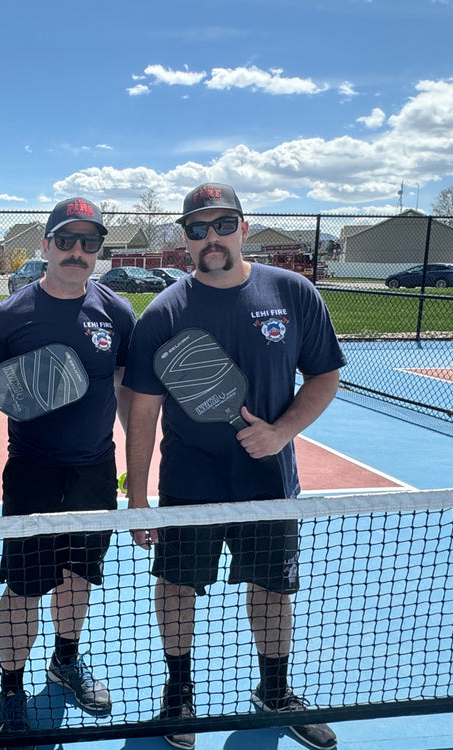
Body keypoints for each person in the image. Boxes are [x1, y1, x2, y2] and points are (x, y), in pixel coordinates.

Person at [123, 183, 345, 750]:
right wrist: (140, 497)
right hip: (188, 486)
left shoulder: (293, 293)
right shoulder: (165, 311)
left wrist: (282, 432)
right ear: (184, 239)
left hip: (268, 483)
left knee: (272, 590)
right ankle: (178, 694)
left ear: (244, 227)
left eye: (223, 224)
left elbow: (323, 375)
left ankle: (274, 691)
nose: (211, 237)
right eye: (198, 228)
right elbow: (142, 410)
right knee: (176, 587)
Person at [0, 197, 135, 744]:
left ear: (99, 250)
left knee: (78, 576)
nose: (77, 252)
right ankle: (11, 689)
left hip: (95, 471)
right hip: (32, 472)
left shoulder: (118, 312)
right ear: (46, 245)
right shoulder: (11, 313)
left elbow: (126, 389)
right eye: (66, 240)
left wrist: (144, 465)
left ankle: (65, 661)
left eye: (89, 243)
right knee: (25, 588)